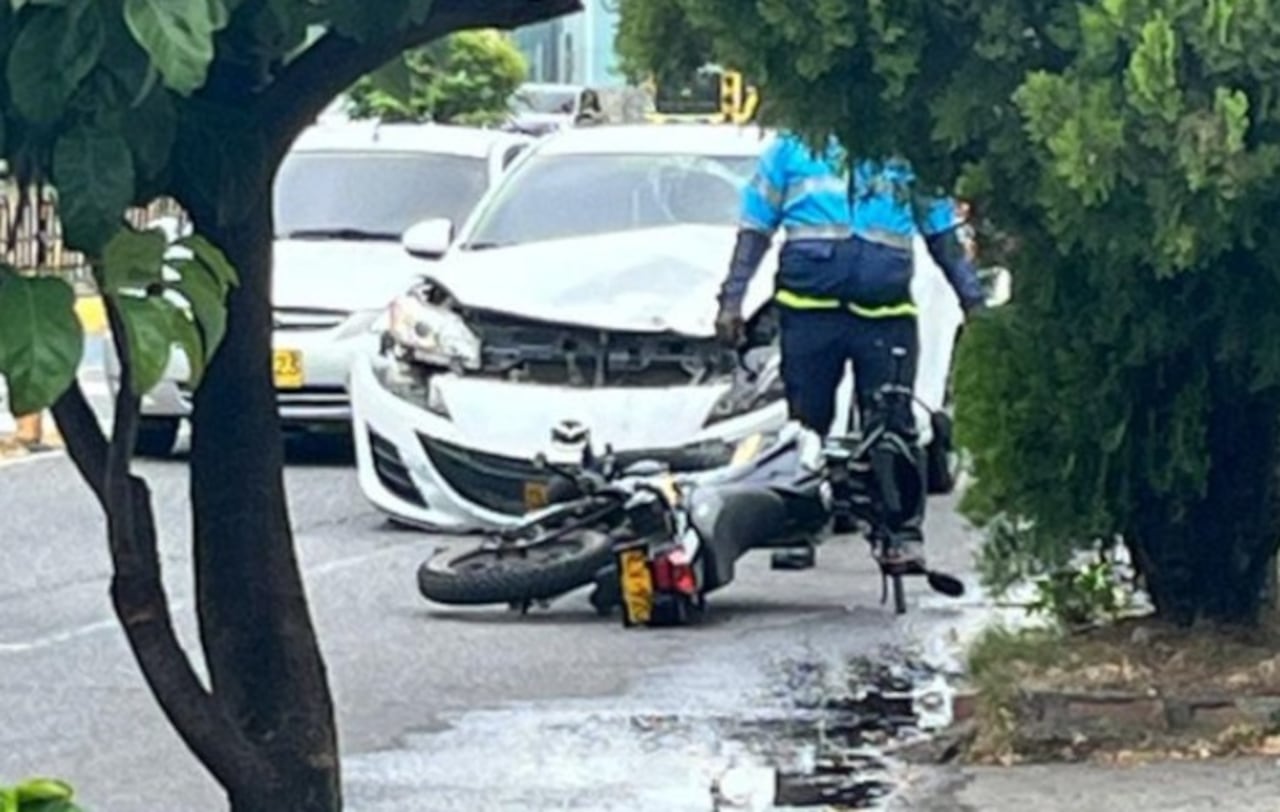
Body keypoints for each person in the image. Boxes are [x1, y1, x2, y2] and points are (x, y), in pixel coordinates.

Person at [714, 133, 987, 570]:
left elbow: (941, 232)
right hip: (809, 314)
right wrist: (732, 301)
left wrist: (973, 301)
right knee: (805, 429)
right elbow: (755, 229)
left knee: (894, 425)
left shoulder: (904, 151)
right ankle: (798, 529)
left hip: (885, 312)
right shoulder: (791, 149)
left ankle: (902, 536)